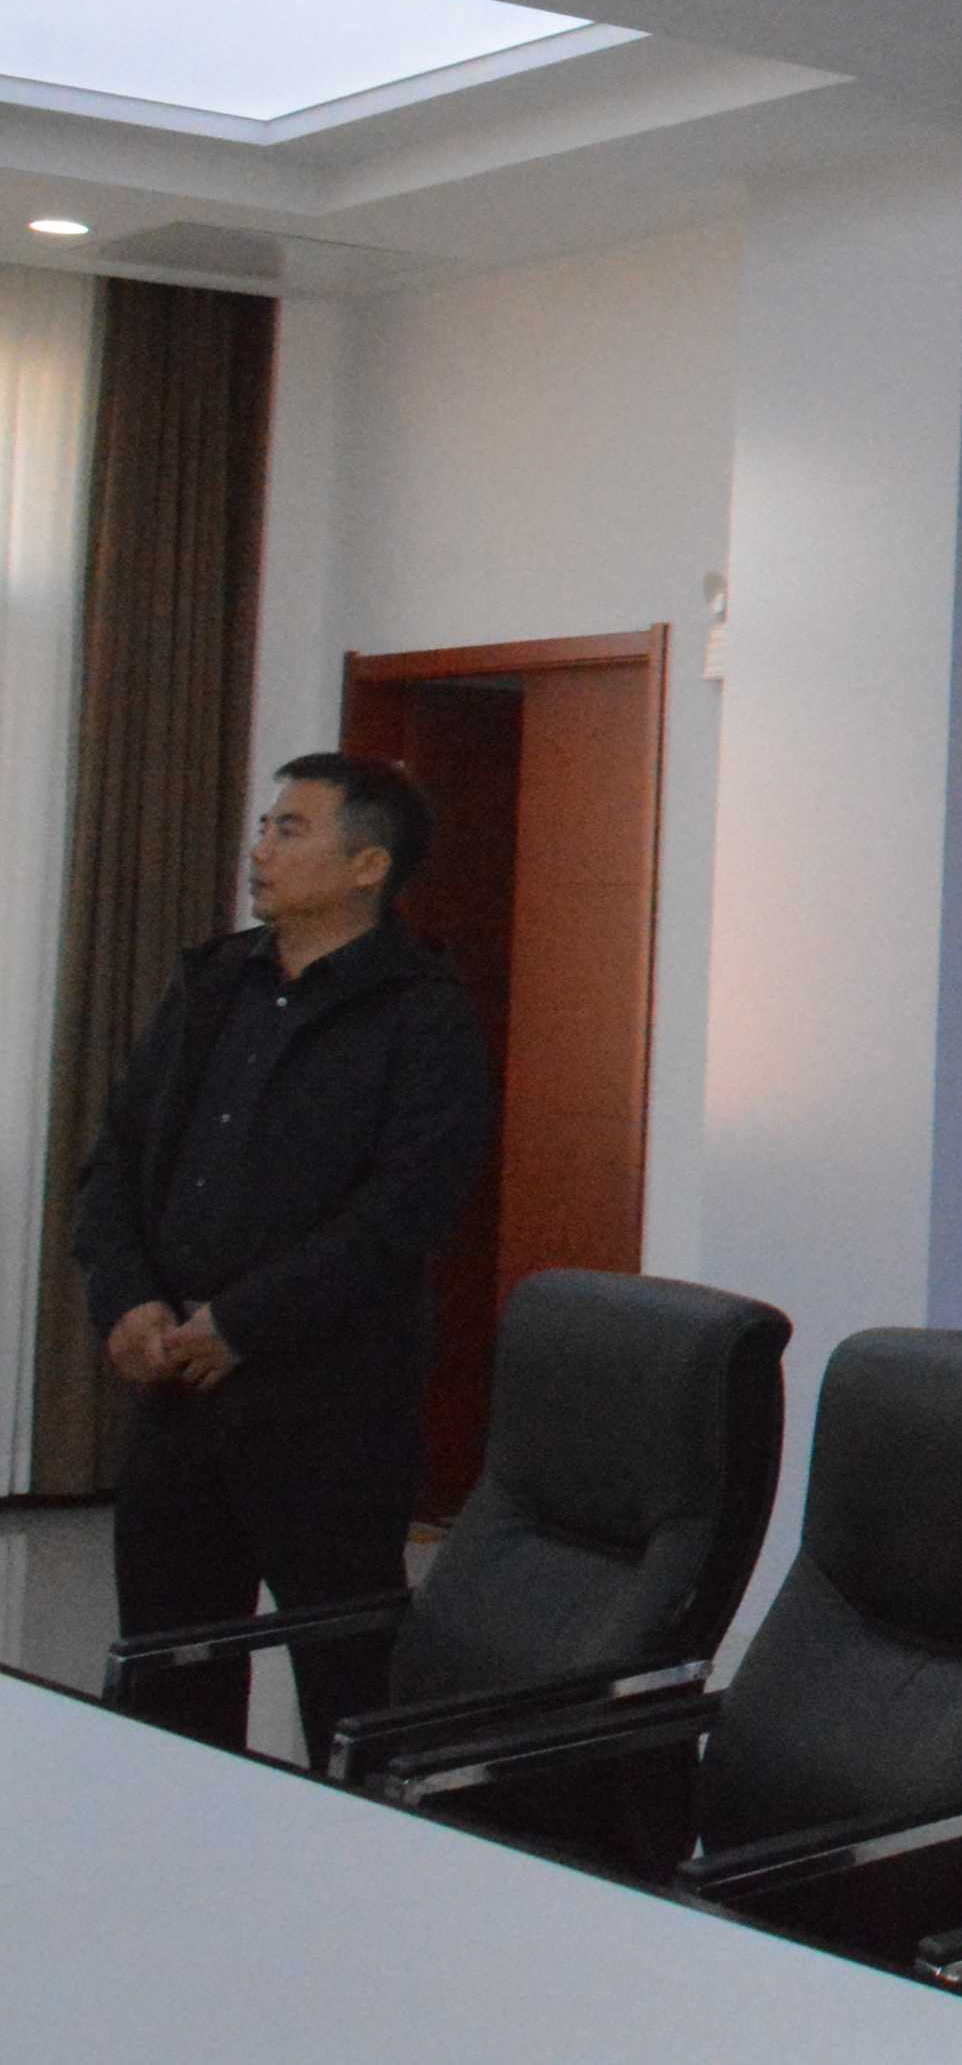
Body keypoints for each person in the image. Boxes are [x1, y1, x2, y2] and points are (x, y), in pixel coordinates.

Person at [72, 751, 493, 1756]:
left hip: (329, 1413)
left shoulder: (423, 1013)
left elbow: (404, 1213)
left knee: (348, 1689)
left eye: (289, 830)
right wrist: (127, 1300)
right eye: (264, 827)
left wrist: (241, 1325)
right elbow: (116, 1160)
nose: (259, 850)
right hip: (178, 1401)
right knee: (170, 1682)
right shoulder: (213, 983)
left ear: (367, 867)